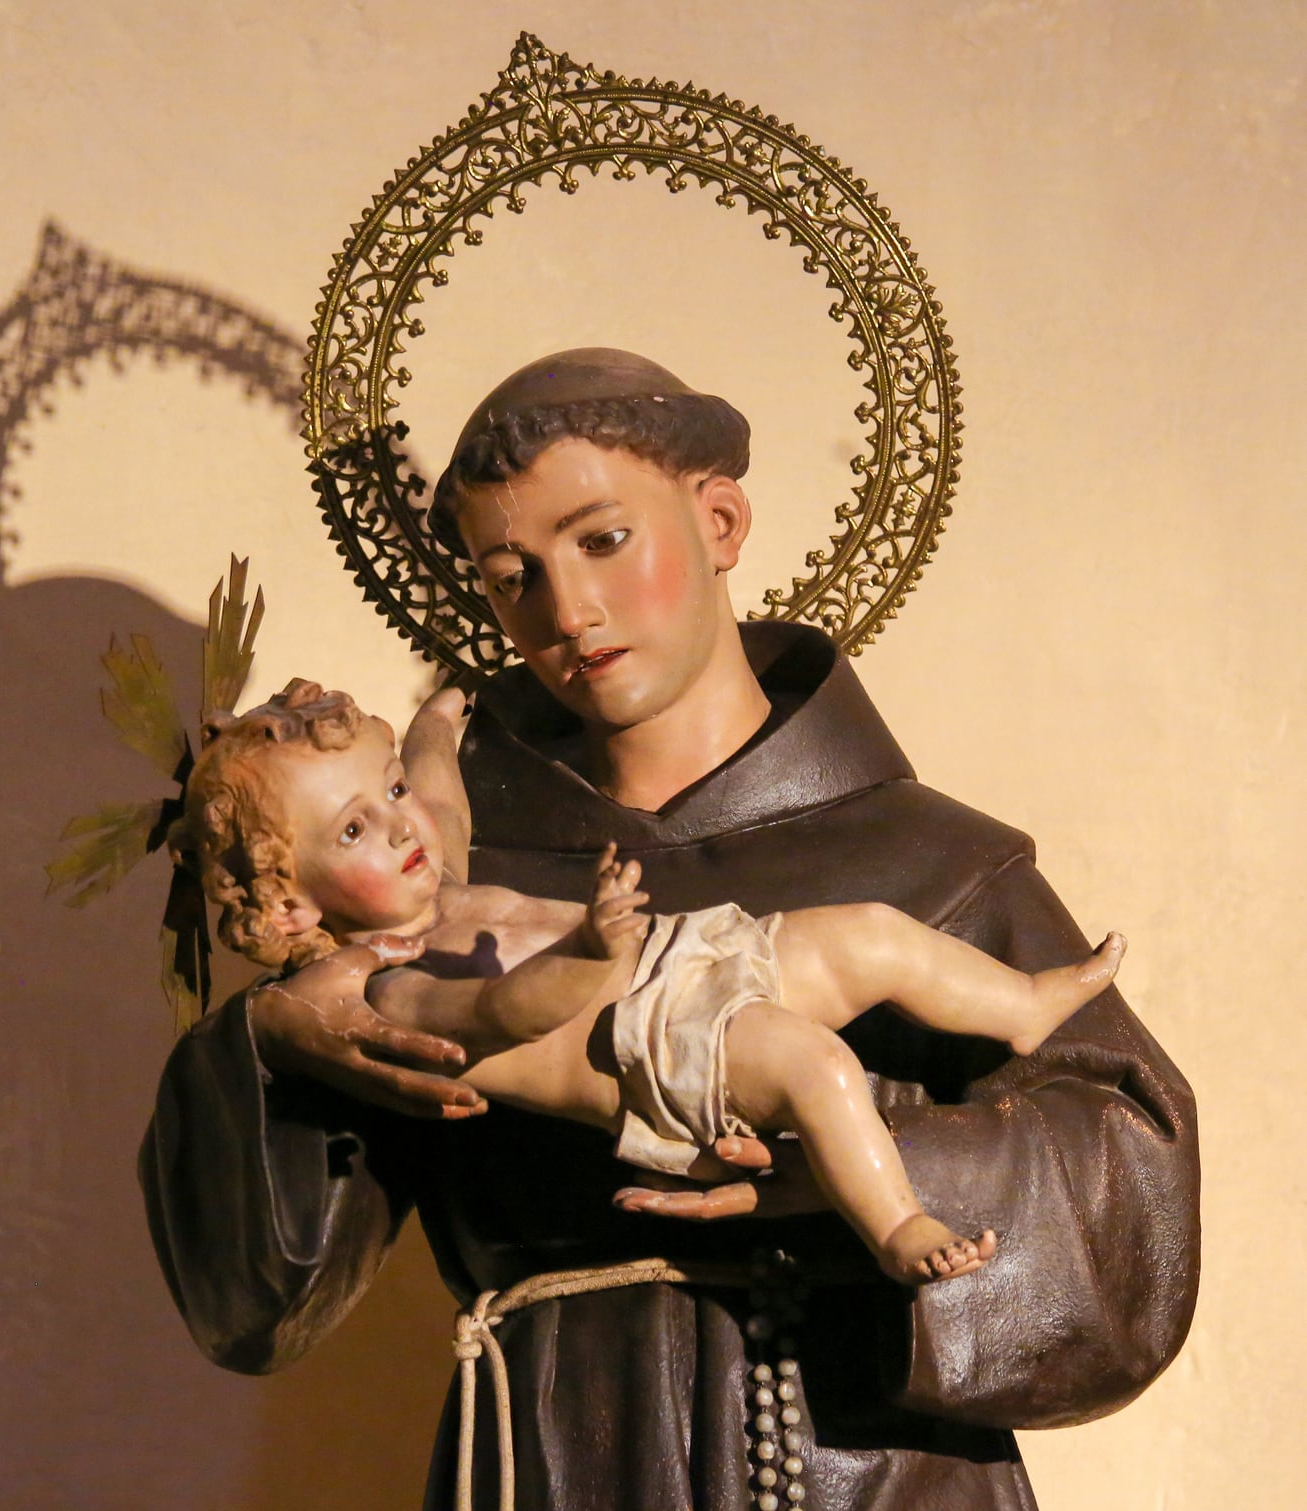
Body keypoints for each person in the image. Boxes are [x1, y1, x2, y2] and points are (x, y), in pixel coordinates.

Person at [139, 349, 1199, 1510]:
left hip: (869, 1468)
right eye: (512, 574)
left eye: (601, 540)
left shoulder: (932, 862)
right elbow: (254, 1303)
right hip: (558, 1453)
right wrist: (271, 1041)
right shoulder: (434, 890)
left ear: (720, 517)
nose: (567, 609)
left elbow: (1132, 1183)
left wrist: (865, 1172)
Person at [178, 677, 1128, 1285]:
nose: (399, 826)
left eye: (384, 792)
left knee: (875, 937)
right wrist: (589, 948)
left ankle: (1020, 1007)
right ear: (293, 909)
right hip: (656, 1053)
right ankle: (897, 1224)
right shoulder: (391, 988)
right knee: (815, 1064)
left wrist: (431, 724)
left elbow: (438, 791)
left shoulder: (441, 874)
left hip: (692, 956)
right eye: (351, 831)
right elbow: (500, 1012)